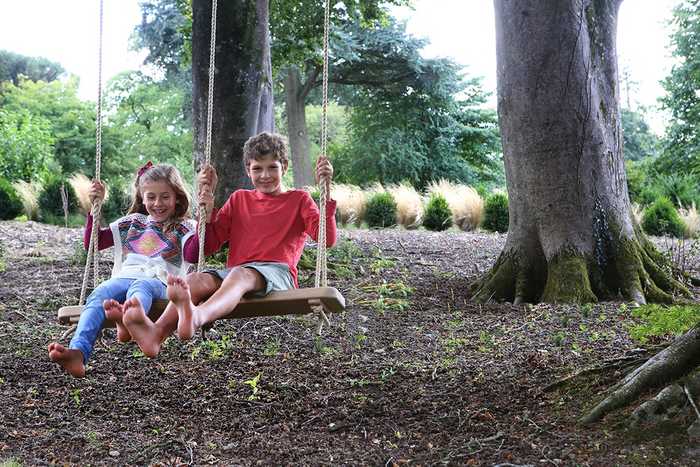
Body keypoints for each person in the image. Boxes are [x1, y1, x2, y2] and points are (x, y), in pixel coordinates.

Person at [122, 132, 337, 357]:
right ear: (247, 169)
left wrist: (327, 193)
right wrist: (208, 213)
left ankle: (198, 316)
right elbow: (209, 245)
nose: (265, 175)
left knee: (240, 274)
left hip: (277, 274)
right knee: (194, 280)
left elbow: (326, 240)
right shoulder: (239, 199)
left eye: (272, 167)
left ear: (284, 166)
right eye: (257, 168)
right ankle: (155, 335)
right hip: (236, 275)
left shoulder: (299, 200)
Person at [48, 163, 198, 377]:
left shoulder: (185, 226)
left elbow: (193, 255)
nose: (158, 203)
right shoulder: (133, 223)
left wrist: (204, 221)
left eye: (165, 197)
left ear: (177, 197)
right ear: (142, 197)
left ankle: (131, 319)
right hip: (126, 276)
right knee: (99, 294)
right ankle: (78, 352)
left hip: (161, 282)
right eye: (151, 197)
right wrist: (94, 208)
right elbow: (94, 242)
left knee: (140, 288)